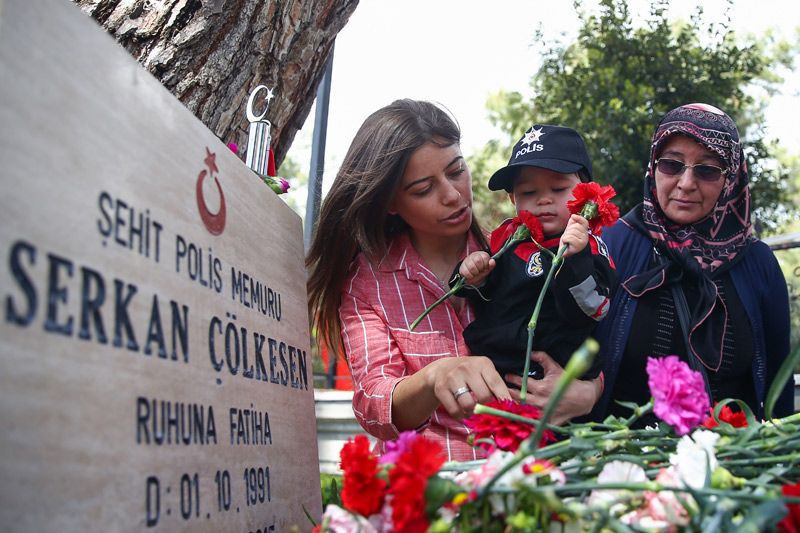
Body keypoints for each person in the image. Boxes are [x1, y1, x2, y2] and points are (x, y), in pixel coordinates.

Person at [306, 99, 603, 461]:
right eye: (423, 189)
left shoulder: (524, 255)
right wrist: (434, 378)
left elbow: (590, 333)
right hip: (429, 492)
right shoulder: (368, 283)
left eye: (456, 170)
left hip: (527, 482)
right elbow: (373, 404)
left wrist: (589, 392)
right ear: (391, 204)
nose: (452, 195)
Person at [591, 103, 794, 424]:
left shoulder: (758, 263)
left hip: (730, 464)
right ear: (653, 166)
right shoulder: (611, 244)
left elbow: (777, 381)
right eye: (671, 165)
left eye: (708, 169)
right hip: (623, 461)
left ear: (731, 178)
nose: (686, 183)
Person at [455, 125, 616, 381]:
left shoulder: (592, 247)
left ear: (587, 192)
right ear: (512, 198)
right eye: (529, 193)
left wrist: (576, 259)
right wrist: (475, 275)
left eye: (558, 189)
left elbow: (593, 309)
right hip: (496, 360)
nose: (543, 200)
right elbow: (488, 294)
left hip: (556, 370)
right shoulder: (507, 236)